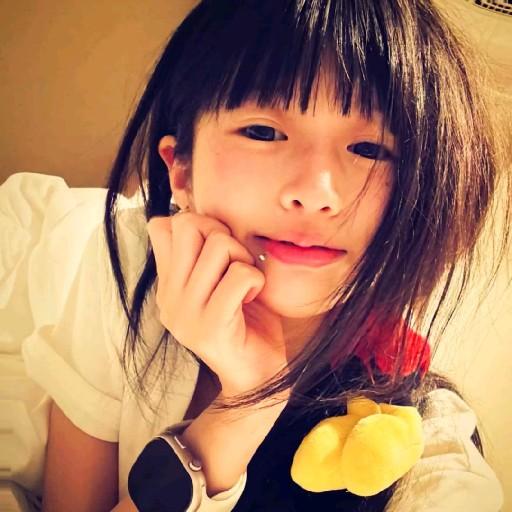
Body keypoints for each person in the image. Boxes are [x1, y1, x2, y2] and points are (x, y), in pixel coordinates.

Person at [21, 0, 510, 510]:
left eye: (368, 149)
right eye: (262, 132)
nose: (316, 193)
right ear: (179, 169)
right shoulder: (129, 259)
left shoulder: (421, 439)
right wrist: (239, 414)